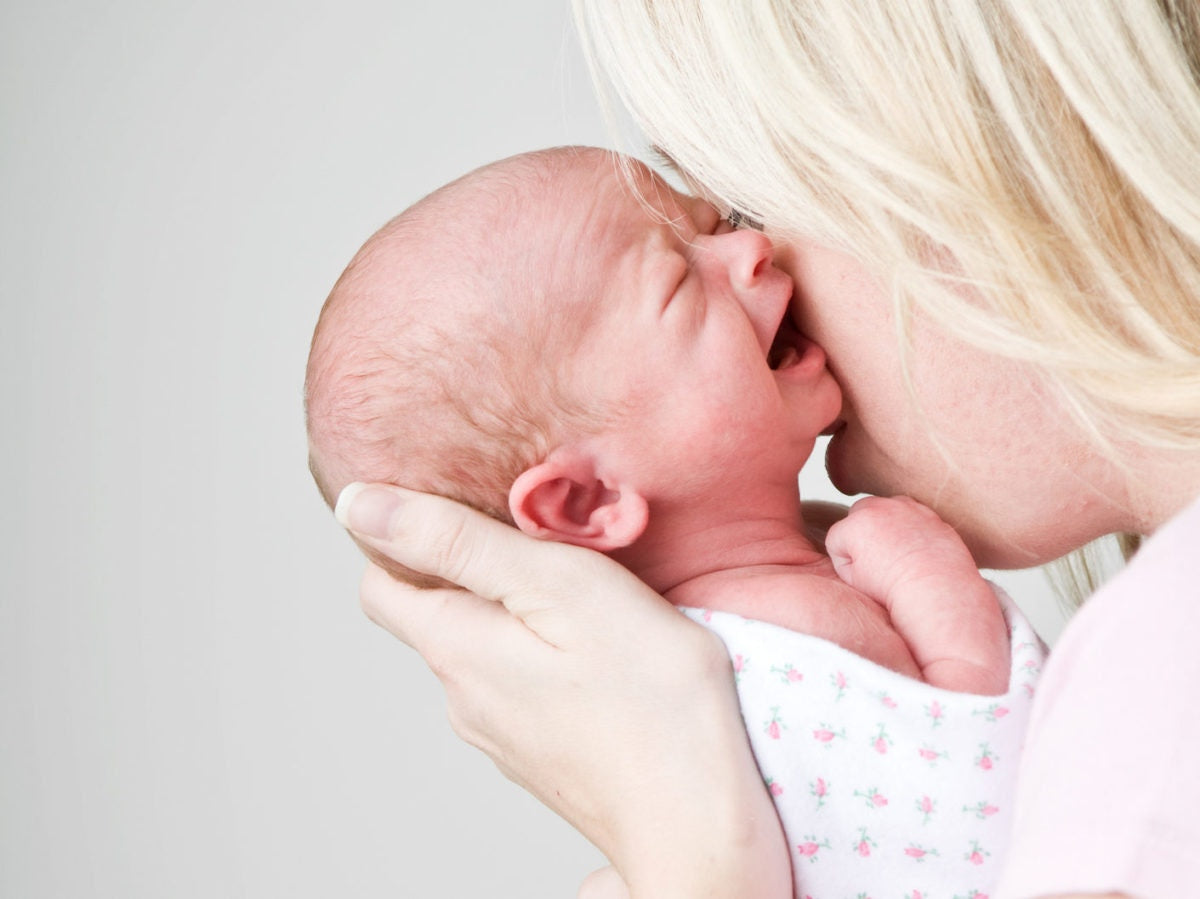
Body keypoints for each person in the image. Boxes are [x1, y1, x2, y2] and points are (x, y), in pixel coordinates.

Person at [333, 3, 1200, 898]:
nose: (752, 253)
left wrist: (698, 873)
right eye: (684, 268)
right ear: (586, 502)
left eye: (741, 206)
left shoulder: (1168, 643)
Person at [306, 146, 1046, 898]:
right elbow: (975, 745)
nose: (752, 246)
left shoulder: (675, 685)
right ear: (587, 500)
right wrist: (927, 567)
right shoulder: (775, 630)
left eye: (715, 224)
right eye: (678, 282)